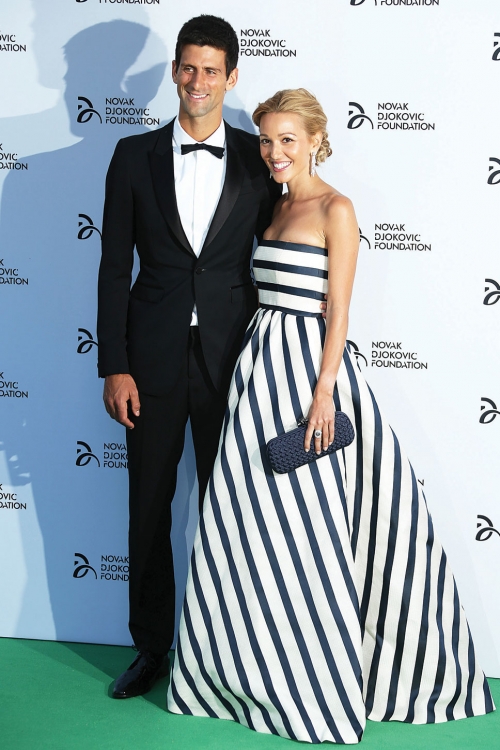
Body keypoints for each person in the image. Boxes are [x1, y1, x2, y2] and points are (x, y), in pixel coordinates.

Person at [167, 89, 494, 743]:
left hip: (306, 378)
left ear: (317, 139)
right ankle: (243, 673)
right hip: (256, 373)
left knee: (308, 531)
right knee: (245, 526)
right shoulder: (271, 205)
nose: (274, 152)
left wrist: (324, 392)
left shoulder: (336, 209)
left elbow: (339, 310)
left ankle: (317, 678)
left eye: (288, 139)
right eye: (266, 140)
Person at [96, 15, 287, 699]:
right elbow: (113, 267)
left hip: (233, 361)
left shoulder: (259, 161)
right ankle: (151, 648)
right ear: (174, 71)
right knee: (148, 506)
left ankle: (227, 652)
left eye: (211, 70)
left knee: (230, 507)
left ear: (232, 76)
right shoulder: (132, 156)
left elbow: (281, 252)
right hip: (148, 361)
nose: (197, 81)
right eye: (188, 67)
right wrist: (113, 364)